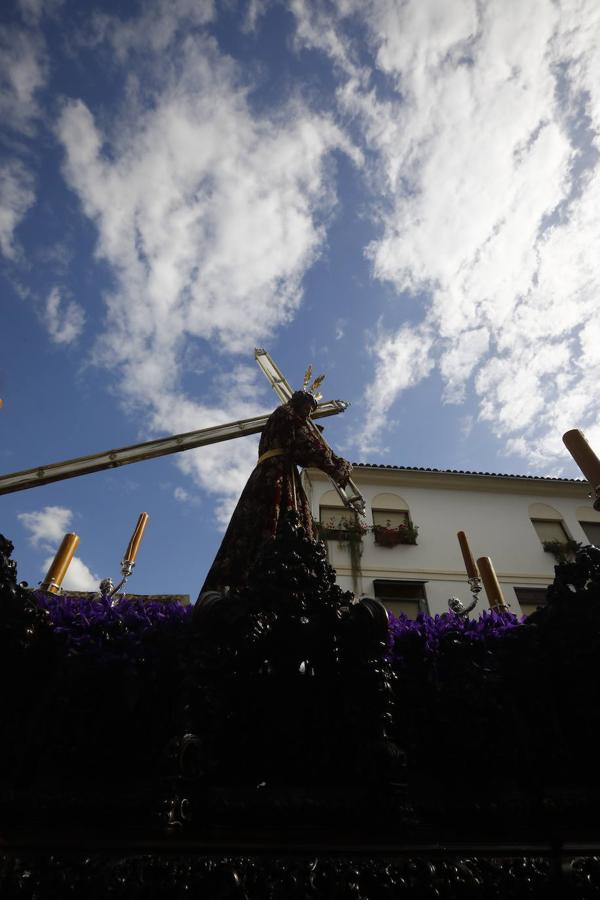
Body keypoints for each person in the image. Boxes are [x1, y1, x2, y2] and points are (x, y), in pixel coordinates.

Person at [198, 390, 352, 597]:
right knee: (285, 526)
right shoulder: (290, 416)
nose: (308, 413)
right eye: (307, 408)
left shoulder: (279, 416)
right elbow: (309, 446)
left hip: (263, 476)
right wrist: (338, 466)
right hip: (278, 477)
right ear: (301, 404)